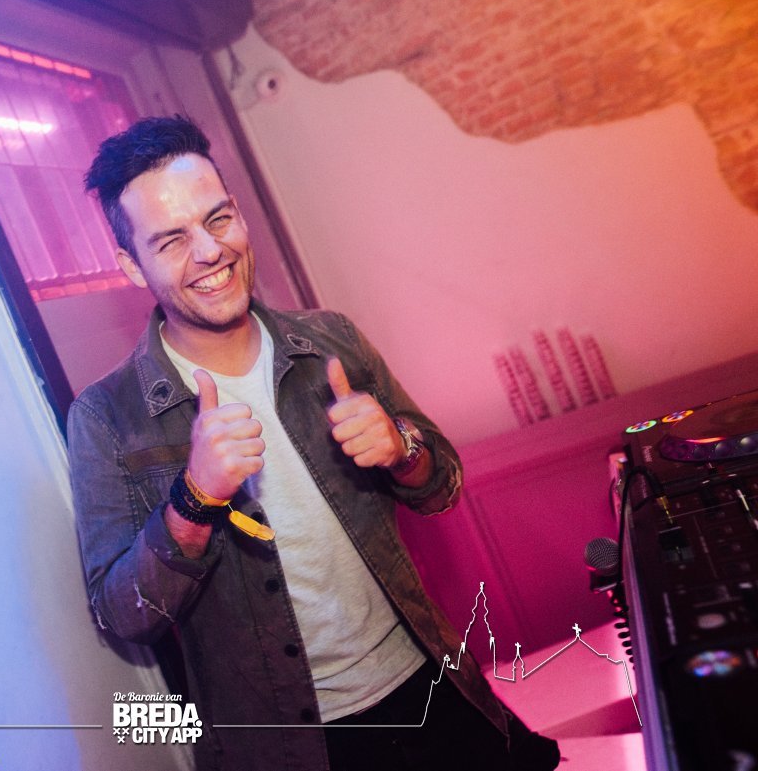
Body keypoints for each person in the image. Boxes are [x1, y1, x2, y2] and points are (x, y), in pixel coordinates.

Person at [67, 115, 558, 771]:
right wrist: (194, 499)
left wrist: (401, 447)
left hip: (434, 690)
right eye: (172, 240)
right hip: (295, 748)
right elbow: (123, 616)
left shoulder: (332, 341)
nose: (210, 251)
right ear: (131, 265)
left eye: (218, 219)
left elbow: (442, 486)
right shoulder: (105, 417)